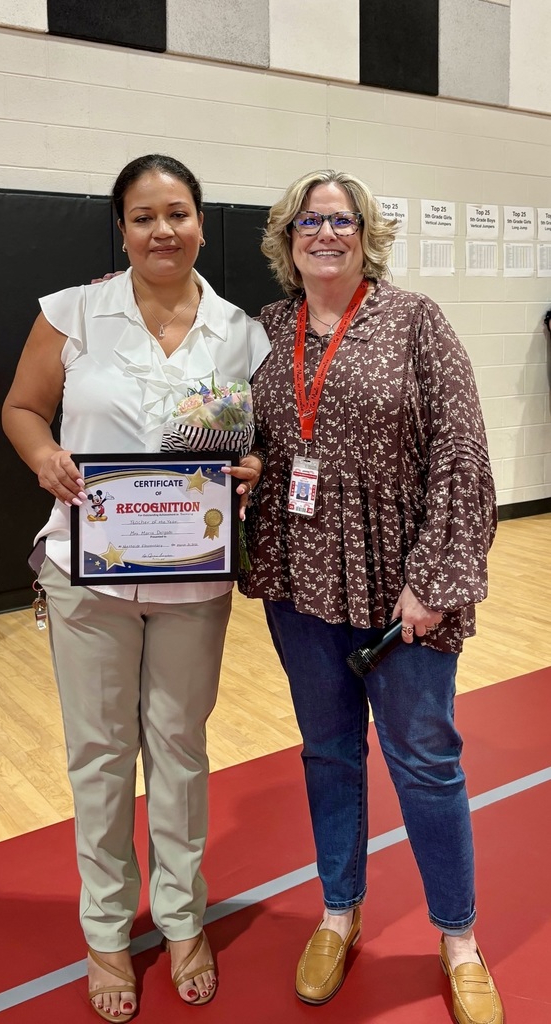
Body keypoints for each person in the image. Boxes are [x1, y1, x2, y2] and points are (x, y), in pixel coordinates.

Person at [2, 153, 269, 1019]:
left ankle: (184, 919)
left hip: (193, 577)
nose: (164, 230)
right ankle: (108, 932)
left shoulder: (239, 330)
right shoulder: (73, 311)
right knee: (101, 757)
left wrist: (254, 467)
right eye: (145, 215)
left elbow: (247, 446)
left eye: (179, 213)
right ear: (121, 227)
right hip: (91, 574)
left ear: (200, 223)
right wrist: (44, 456)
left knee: (181, 750)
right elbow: (22, 407)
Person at [239, 169, 502, 1024]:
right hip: (302, 583)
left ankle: (459, 939)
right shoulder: (268, 332)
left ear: (366, 234)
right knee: (329, 754)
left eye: (341, 220)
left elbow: (463, 457)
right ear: (287, 239)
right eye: (309, 221)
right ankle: (340, 913)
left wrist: (432, 579)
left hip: (403, 592)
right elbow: (250, 441)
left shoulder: (417, 321)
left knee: (426, 761)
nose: (326, 233)